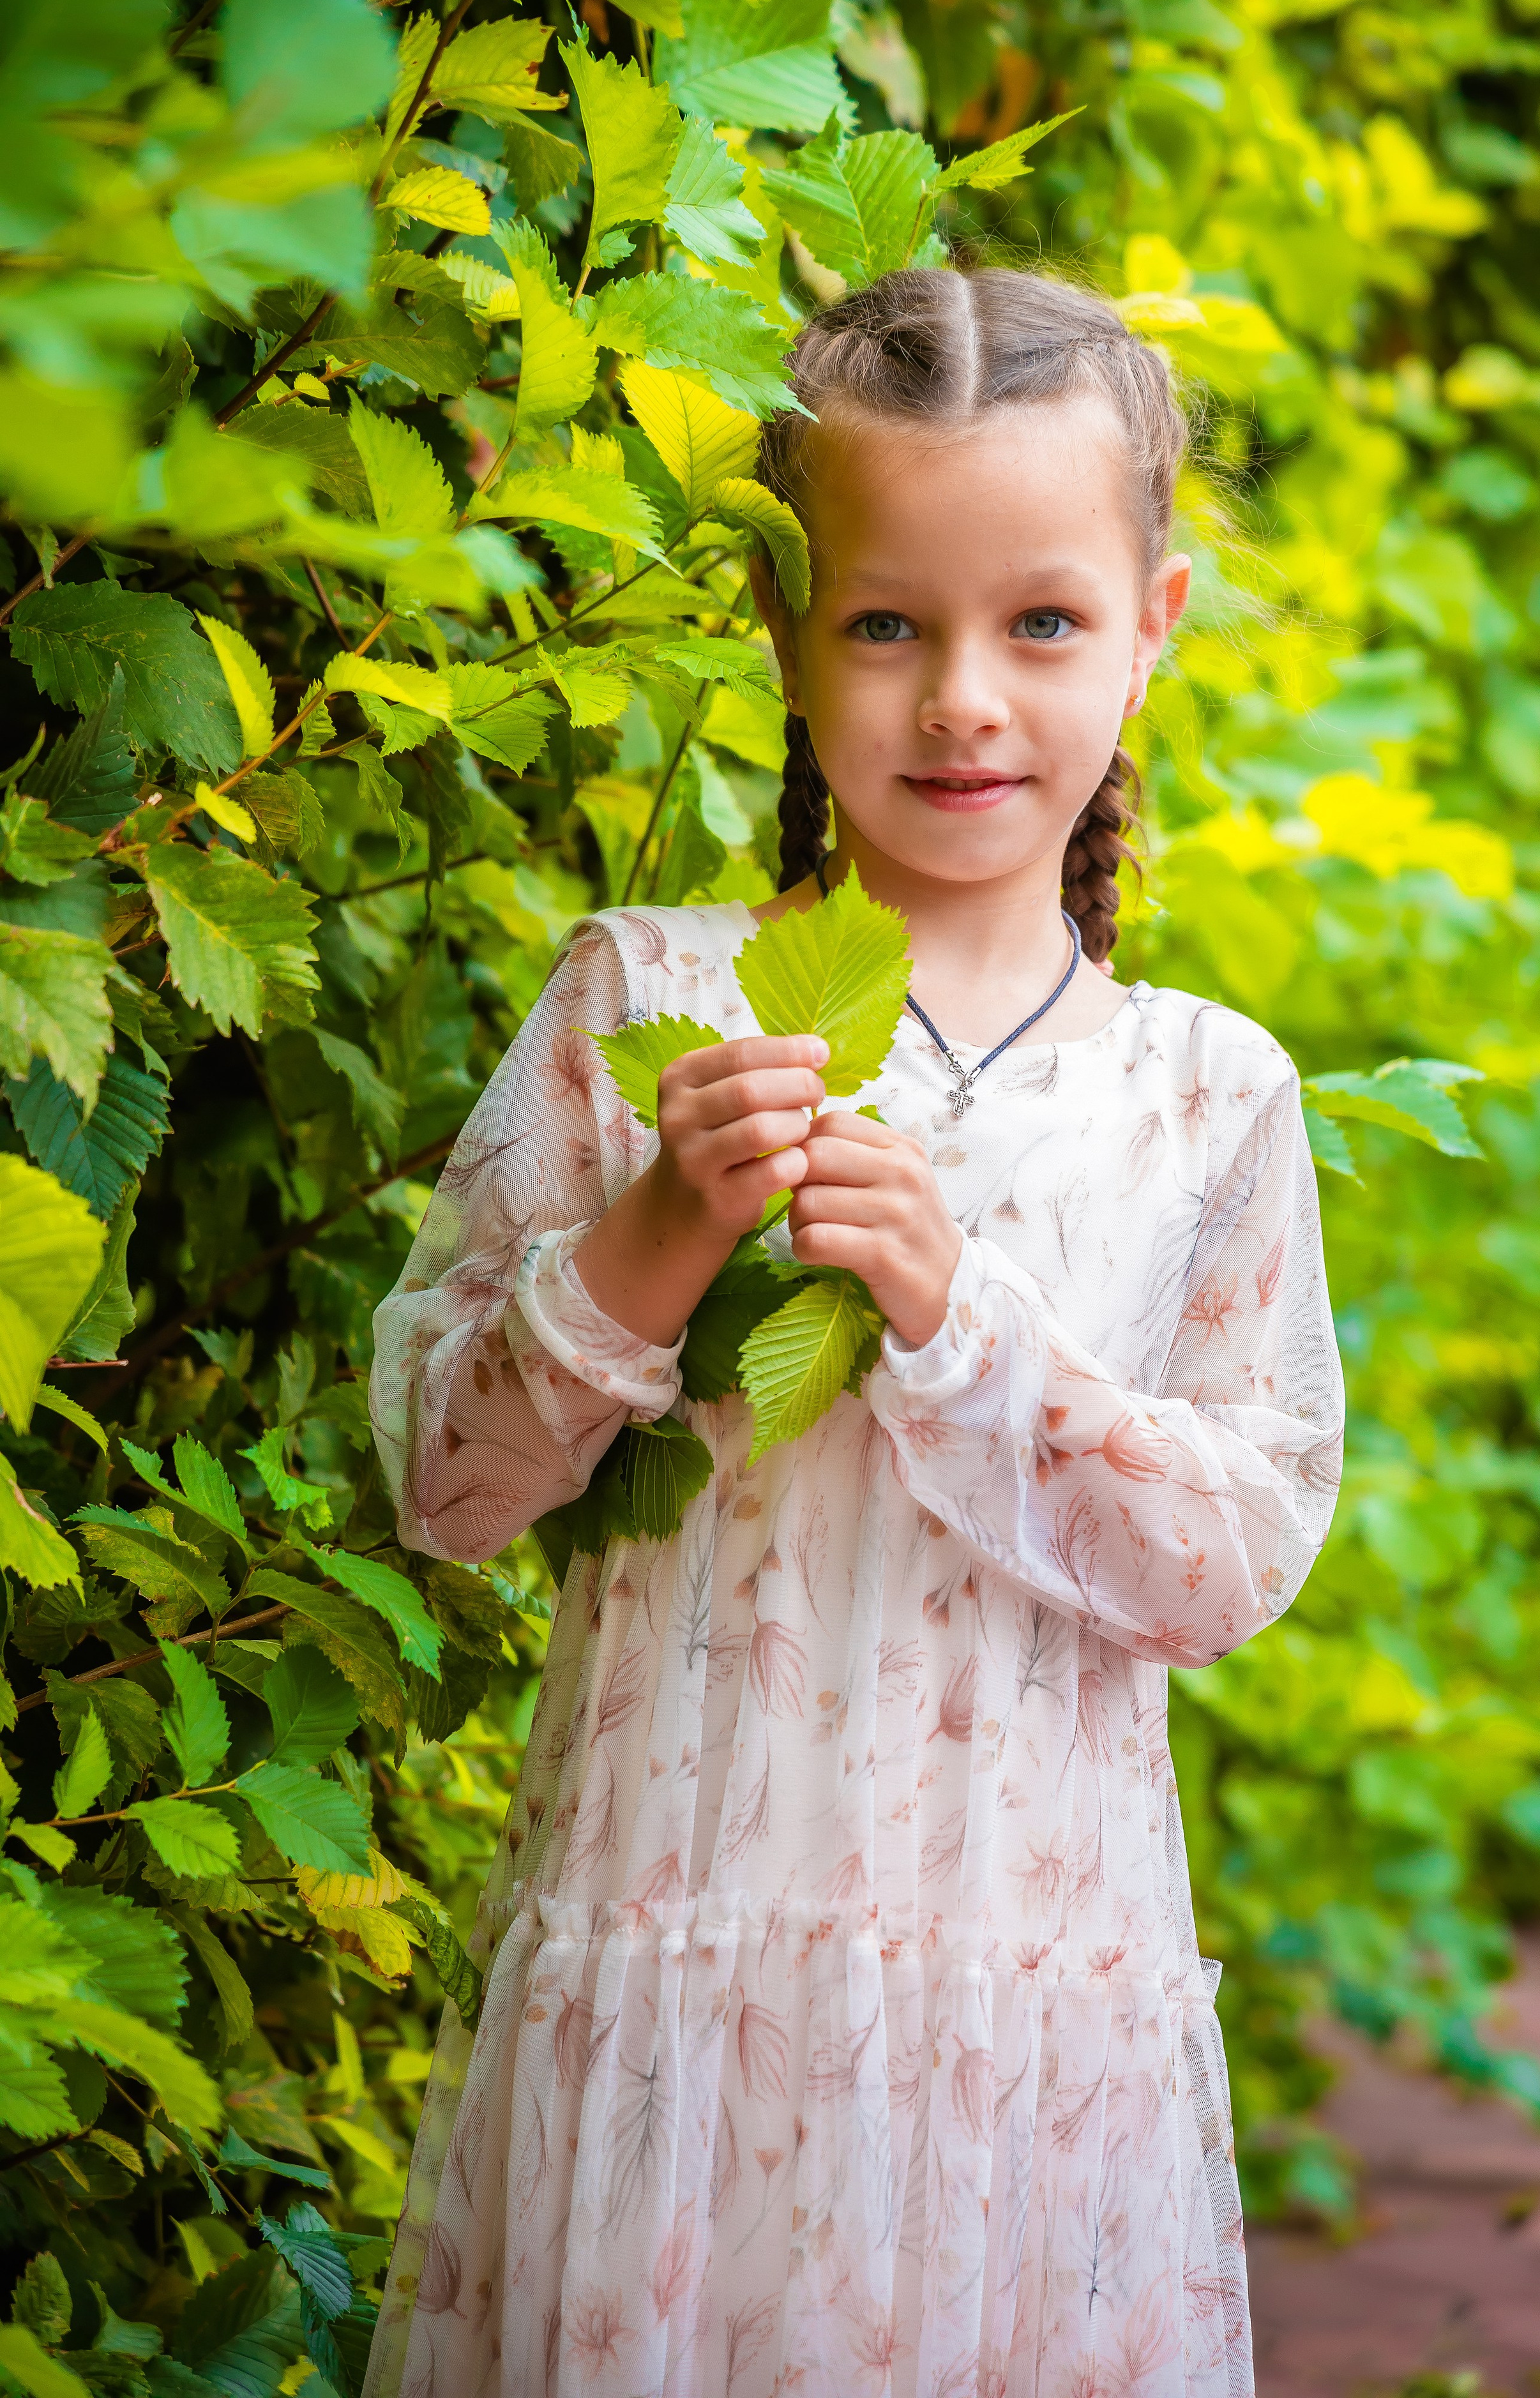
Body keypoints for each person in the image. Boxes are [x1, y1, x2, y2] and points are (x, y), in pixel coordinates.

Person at [363, 264, 1346, 2398]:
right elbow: (447, 1487)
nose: (962, 700)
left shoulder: (1206, 1092)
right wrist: (651, 1233)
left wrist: (953, 1313)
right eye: (888, 622)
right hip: (676, 2006)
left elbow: (1236, 1553)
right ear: (786, 630)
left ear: (1156, 621)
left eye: (1044, 623)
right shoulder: (649, 1005)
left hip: (1032, 2023)